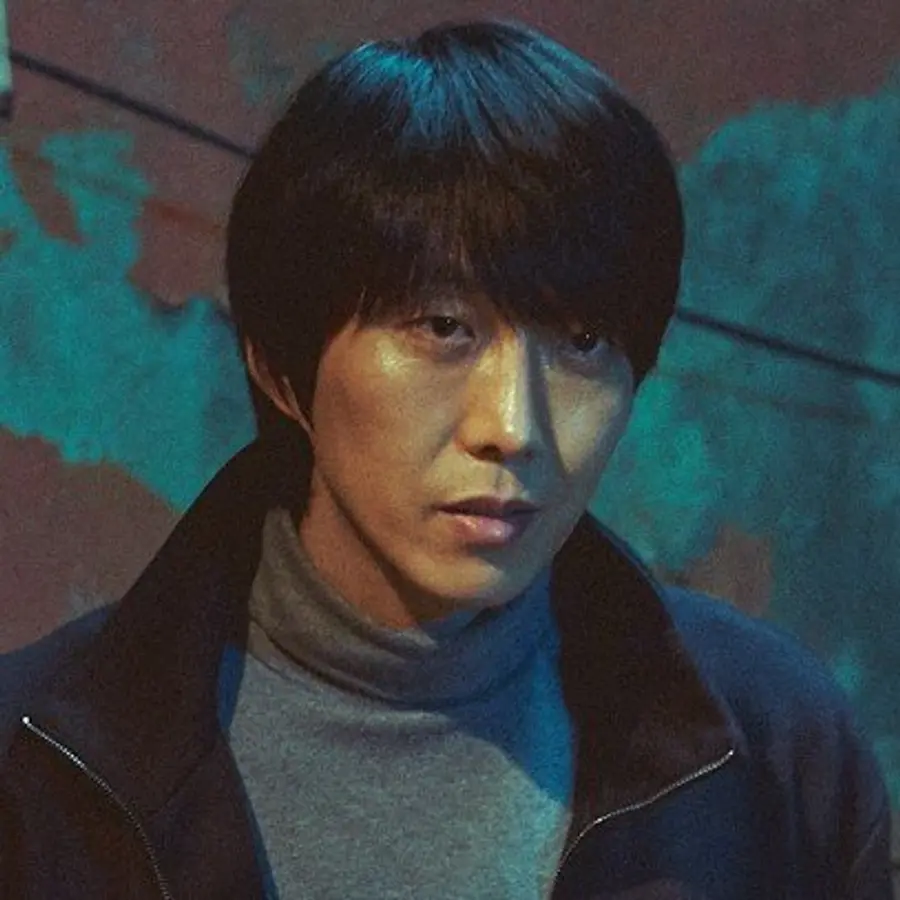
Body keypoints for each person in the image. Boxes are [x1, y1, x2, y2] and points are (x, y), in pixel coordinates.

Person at [0, 18, 893, 900]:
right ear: (280, 368)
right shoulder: (36, 764)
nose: (513, 426)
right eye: (442, 328)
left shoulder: (774, 746)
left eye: (583, 342)